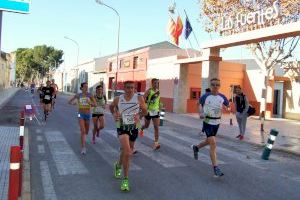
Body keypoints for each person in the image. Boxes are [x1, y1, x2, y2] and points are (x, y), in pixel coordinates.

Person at [109, 81, 147, 192]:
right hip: (121, 127)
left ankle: (118, 165)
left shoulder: (139, 99)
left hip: (134, 127)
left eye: (132, 87)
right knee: (128, 152)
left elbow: (145, 111)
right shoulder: (118, 99)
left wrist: (139, 115)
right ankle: (125, 180)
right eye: (128, 87)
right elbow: (111, 107)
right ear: (124, 88)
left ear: (134, 88)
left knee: (125, 152)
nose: (130, 89)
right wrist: (115, 114)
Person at [192, 78, 229, 177]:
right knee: (213, 143)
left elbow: (227, 106)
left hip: (217, 123)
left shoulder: (222, 97)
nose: (215, 86)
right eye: (213, 85)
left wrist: (226, 108)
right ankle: (215, 168)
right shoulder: (206, 96)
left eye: (217, 85)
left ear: (219, 86)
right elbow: (198, 103)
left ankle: (196, 147)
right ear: (211, 86)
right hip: (207, 122)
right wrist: (200, 112)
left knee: (208, 141)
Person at [68, 82, 96, 155]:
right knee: (83, 131)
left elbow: (95, 104)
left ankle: (84, 137)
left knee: (86, 131)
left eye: (87, 86)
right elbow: (69, 102)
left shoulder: (90, 95)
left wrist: (90, 103)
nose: (86, 88)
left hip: (88, 114)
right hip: (80, 114)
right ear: (81, 88)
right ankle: (83, 147)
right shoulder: (78, 95)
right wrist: (73, 103)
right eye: (85, 87)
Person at [140, 78, 161, 150]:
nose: (156, 84)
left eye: (157, 83)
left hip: (156, 111)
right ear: (152, 84)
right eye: (155, 83)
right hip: (148, 111)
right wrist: (144, 107)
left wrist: (159, 107)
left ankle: (156, 143)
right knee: (146, 126)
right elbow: (142, 99)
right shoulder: (149, 91)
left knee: (156, 127)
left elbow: (158, 101)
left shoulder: (158, 91)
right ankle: (142, 128)